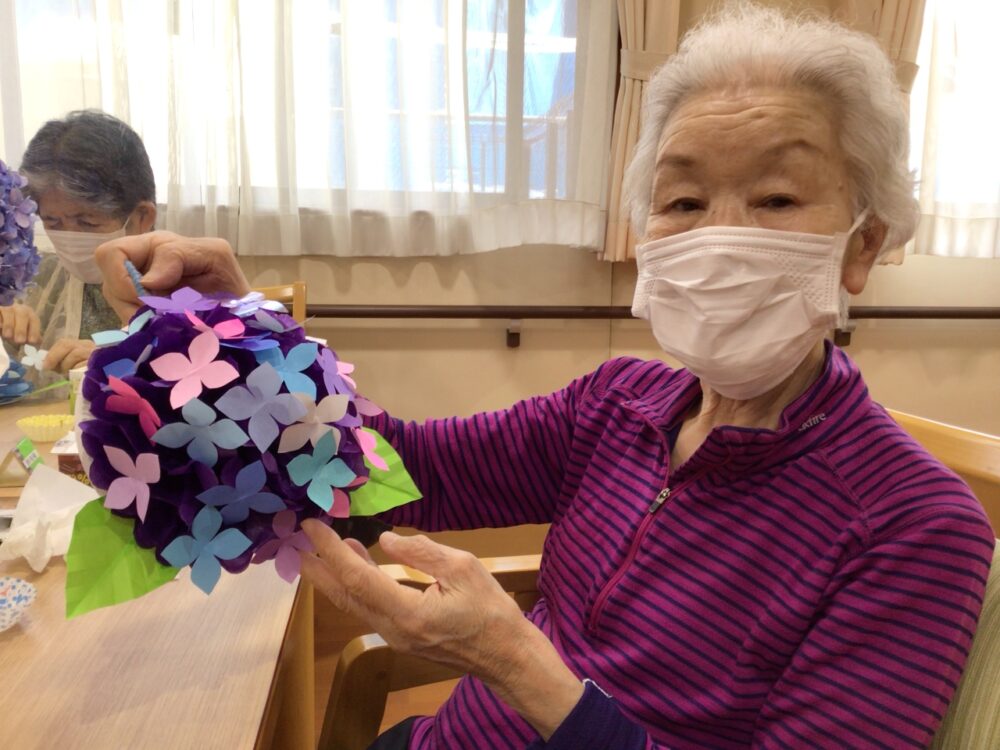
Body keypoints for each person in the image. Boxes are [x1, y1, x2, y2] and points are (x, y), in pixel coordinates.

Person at [98, 5, 995, 748]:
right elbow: (399, 476)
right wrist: (241, 337)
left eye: (776, 199)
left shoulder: (914, 527)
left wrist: (514, 661)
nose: (720, 234)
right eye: (683, 201)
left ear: (862, 247)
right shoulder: (617, 404)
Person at [0, 110, 156, 374]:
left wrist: (118, 359)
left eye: (87, 223)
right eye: (52, 221)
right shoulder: (36, 280)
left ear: (141, 217)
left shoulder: (181, 282)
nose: (70, 238)